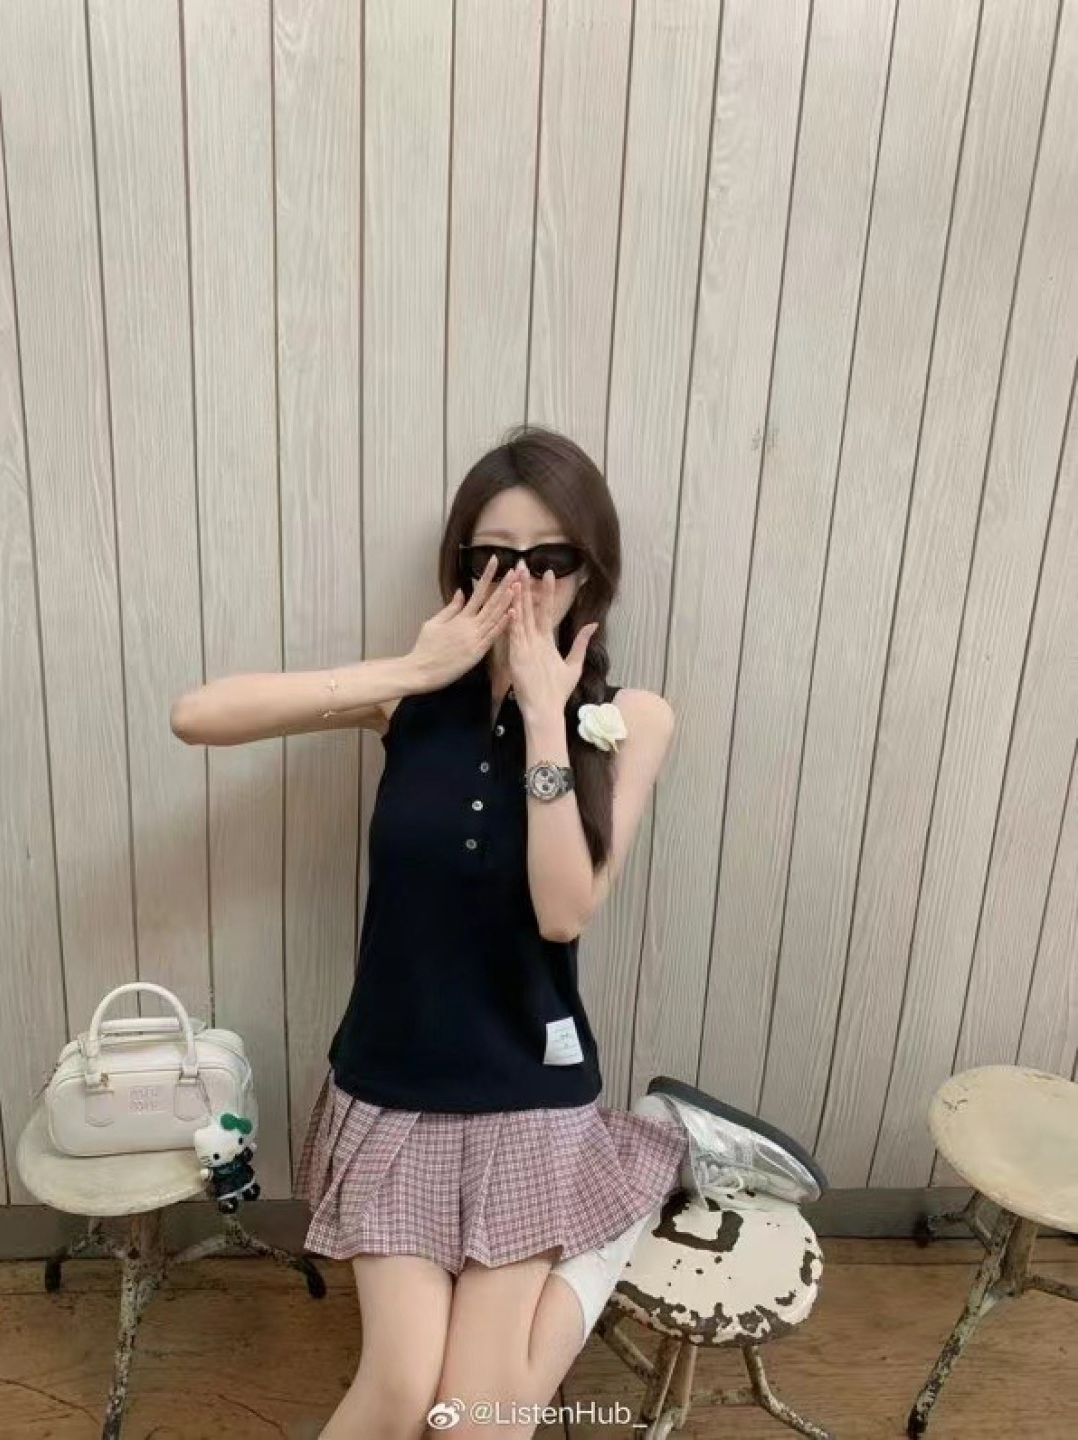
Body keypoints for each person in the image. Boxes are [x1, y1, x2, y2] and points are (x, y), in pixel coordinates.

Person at [171, 424, 824, 1440]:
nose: (522, 580)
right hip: (395, 1086)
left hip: (527, 1090)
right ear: (461, 565)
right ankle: (630, 1179)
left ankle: (621, 1185)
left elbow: (564, 911)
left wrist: (548, 714)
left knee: (471, 1421)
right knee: (399, 1393)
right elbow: (198, 716)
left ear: (590, 573)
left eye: (549, 557)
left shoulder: (633, 717)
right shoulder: (410, 700)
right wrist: (410, 665)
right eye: (493, 555)